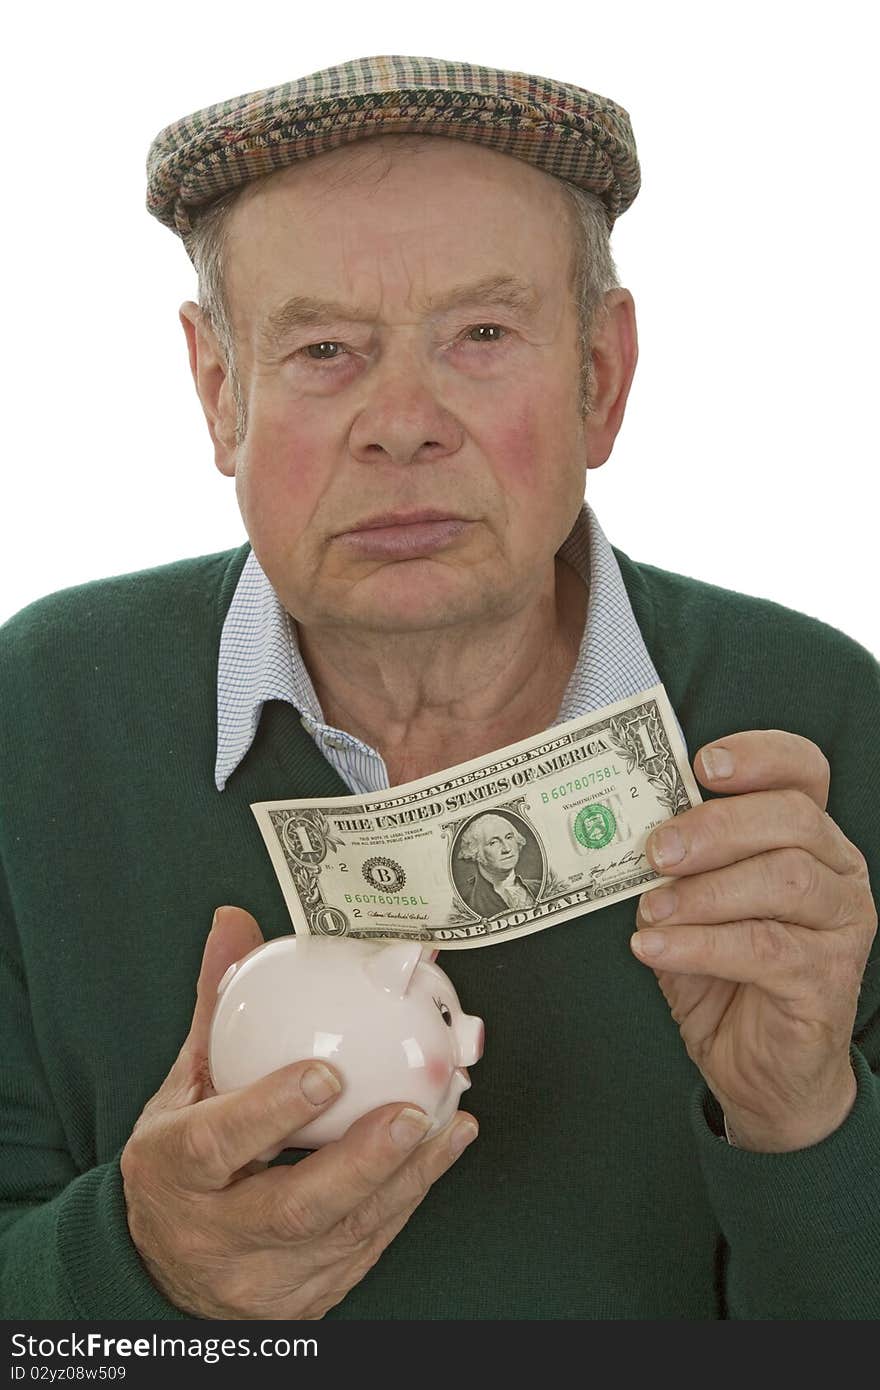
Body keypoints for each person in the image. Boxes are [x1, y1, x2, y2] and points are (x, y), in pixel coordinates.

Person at [0, 54, 877, 1323]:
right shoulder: (41, 718)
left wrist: (802, 1122)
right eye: (322, 348)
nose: (401, 422)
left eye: (479, 336)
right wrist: (143, 1273)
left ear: (598, 378)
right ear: (217, 390)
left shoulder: (811, 724)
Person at [455, 813, 543, 915]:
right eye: (493, 842)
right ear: (476, 852)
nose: (507, 849)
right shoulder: (468, 904)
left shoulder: (539, 887)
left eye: (509, 837)